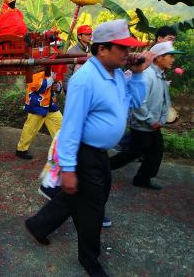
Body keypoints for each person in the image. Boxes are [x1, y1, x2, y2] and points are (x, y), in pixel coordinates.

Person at [24, 19, 152, 277]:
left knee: (81, 196)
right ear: (102, 49)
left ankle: (38, 225)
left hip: (100, 153)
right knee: (93, 207)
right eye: (122, 48)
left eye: (129, 48)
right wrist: (68, 169)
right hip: (84, 152)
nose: (127, 54)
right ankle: (89, 259)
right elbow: (71, 127)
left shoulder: (115, 73)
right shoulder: (86, 79)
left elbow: (136, 101)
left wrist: (137, 74)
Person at [110, 41, 183, 189]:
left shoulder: (159, 75)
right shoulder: (147, 75)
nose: (173, 59)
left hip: (152, 123)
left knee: (153, 151)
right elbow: (139, 103)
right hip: (143, 124)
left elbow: (163, 99)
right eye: (169, 56)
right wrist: (151, 120)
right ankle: (101, 167)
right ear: (158, 57)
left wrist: (162, 118)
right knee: (133, 152)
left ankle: (142, 178)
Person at [15, 69, 63, 160]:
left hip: (50, 104)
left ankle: (62, 150)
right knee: (30, 128)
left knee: (61, 126)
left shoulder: (54, 68)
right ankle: (21, 150)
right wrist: (51, 80)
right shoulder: (37, 69)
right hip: (37, 105)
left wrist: (57, 87)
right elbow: (37, 86)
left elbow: (57, 87)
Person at [63, 25, 92, 91]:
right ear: (79, 36)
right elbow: (67, 74)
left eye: (90, 34)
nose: (90, 36)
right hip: (76, 88)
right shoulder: (72, 52)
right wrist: (68, 91)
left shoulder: (92, 50)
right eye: (87, 34)